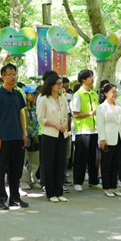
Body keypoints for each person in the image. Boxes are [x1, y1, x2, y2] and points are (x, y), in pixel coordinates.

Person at [0, 64, 28, 210]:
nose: (13, 77)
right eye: (10, 74)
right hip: (3, 137)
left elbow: (21, 114)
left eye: (14, 74)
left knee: (16, 169)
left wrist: (24, 133)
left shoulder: (18, 94)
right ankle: (2, 198)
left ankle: (15, 197)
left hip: (17, 137)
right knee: (1, 170)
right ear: (3, 76)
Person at [36, 74, 69, 202]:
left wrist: (65, 124)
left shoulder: (63, 99)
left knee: (60, 163)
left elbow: (66, 115)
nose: (60, 86)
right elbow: (41, 118)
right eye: (58, 84)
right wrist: (55, 124)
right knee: (49, 163)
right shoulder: (44, 99)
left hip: (62, 133)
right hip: (49, 134)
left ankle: (59, 191)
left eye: (61, 83)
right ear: (51, 85)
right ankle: (51, 193)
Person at [70, 69, 100, 192]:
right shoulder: (78, 95)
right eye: (90, 77)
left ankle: (93, 181)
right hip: (82, 131)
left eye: (92, 76)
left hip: (95, 130)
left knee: (94, 158)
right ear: (83, 80)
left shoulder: (94, 94)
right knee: (81, 158)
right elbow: (76, 114)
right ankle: (78, 182)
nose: (92, 79)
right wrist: (91, 113)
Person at [97, 84, 121, 197]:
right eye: (112, 91)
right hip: (108, 138)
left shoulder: (119, 107)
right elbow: (100, 124)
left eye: (116, 91)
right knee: (107, 163)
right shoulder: (102, 107)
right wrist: (102, 139)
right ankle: (107, 187)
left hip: (119, 137)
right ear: (106, 94)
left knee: (116, 163)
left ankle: (114, 186)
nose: (115, 94)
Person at [23, 86, 40, 190]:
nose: (33, 95)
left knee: (34, 161)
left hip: (35, 138)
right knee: (23, 161)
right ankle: (24, 181)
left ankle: (33, 180)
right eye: (31, 94)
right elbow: (23, 121)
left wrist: (35, 132)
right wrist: (30, 132)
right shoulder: (22, 108)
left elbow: (39, 121)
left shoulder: (35, 107)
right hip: (26, 137)